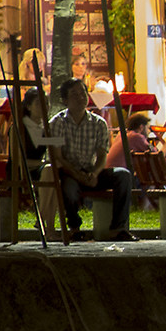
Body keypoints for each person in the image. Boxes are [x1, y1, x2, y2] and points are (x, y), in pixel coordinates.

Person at [48, 79, 134, 239]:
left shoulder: (99, 123)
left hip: (91, 171)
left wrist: (95, 173)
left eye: (83, 93)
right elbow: (57, 157)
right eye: (74, 94)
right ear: (65, 100)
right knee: (68, 188)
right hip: (68, 171)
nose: (80, 97)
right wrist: (77, 174)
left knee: (123, 175)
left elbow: (102, 155)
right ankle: (74, 228)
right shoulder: (56, 123)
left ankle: (118, 228)